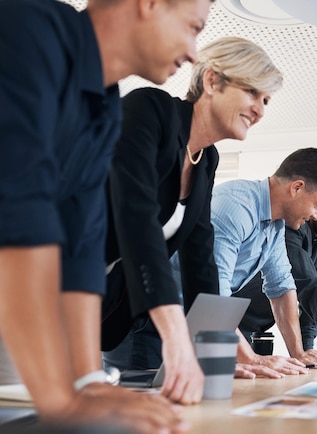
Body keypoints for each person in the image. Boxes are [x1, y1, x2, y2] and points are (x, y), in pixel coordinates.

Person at [0, 0, 212, 431]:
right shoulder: (29, 32)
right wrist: (61, 399)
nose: (194, 52)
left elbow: (83, 243)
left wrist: (87, 380)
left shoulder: (103, 104)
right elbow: (20, 211)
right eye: (193, 27)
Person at [101, 36, 286, 405]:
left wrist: (225, 347)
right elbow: (139, 228)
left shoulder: (207, 160)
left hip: (102, 310)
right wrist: (175, 339)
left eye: (266, 100)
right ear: (212, 80)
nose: (261, 110)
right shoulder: (147, 111)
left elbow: (200, 262)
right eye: (252, 92)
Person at [174, 148, 317, 369]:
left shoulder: (274, 225)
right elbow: (214, 293)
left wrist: (299, 354)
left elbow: (282, 288)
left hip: (197, 324)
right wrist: (251, 357)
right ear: (297, 188)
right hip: (156, 324)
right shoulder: (235, 208)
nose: (315, 216)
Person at [233, 177, 317, 360]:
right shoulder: (289, 229)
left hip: (251, 330)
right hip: (226, 322)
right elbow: (309, 287)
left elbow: (311, 299)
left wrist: (305, 350)